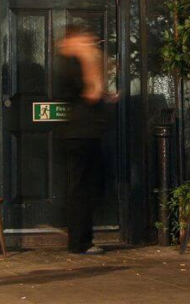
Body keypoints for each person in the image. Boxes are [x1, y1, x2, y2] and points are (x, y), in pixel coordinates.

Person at [56, 25, 110, 255]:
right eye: (85, 39)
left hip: (80, 132)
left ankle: (81, 239)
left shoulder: (68, 62)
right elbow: (92, 92)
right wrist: (91, 60)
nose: (90, 43)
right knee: (82, 188)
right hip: (82, 133)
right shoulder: (74, 62)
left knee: (83, 186)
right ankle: (80, 242)